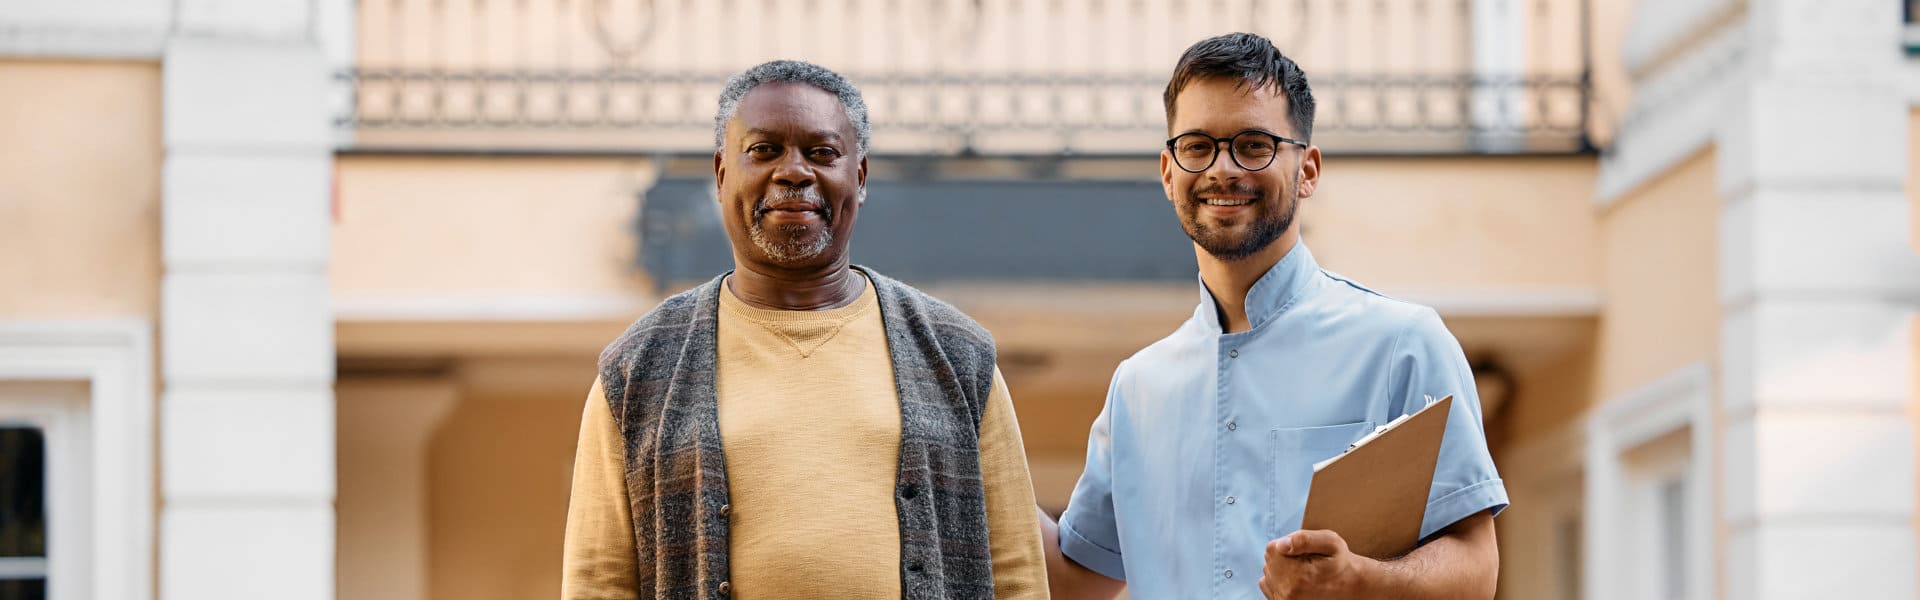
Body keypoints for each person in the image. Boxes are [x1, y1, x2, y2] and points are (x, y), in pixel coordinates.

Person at [1038, 33, 1506, 600]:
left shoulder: (1403, 344)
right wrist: (969, 436)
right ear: (1167, 171)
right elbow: (1076, 580)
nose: (1222, 169)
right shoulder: (1136, 389)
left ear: (1308, 170)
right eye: (1197, 146)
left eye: (1253, 145)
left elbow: (1476, 570)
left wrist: (1359, 580)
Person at [562, 60, 1048, 599]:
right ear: (722, 175)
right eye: (765, 150)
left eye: (822, 153)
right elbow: (597, 581)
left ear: (858, 178)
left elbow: (1017, 573)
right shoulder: (639, 369)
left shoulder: (957, 357)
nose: (793, 172)